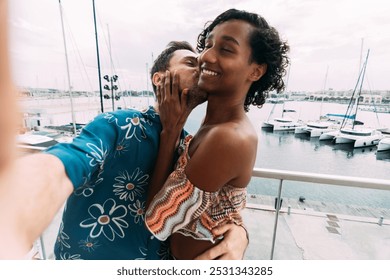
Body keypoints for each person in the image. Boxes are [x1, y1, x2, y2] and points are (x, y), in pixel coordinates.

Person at [0, 40, 249, 259]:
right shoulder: (117, 125)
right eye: (191, 63)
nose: (202, 67)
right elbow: (69, 162)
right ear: (159, 78)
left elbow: (214, 206)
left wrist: (240, 233)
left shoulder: (191, 147)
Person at [146, 8, 290, 259]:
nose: (206, 57)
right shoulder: (214, 124)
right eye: (208, 45)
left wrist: (170, 132)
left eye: (226, 49)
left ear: (255, 71)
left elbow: (157, 220)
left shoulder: (229, 137)